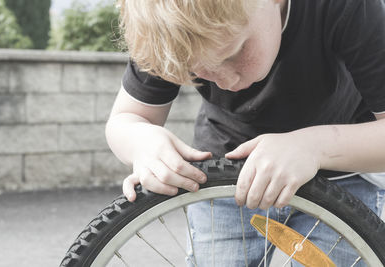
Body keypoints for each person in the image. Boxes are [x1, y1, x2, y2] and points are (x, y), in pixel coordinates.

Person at [106, 0, 385, 265]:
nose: (225, 81)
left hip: (342, 176)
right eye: (198, 71)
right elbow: (127, 119)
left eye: (232, 54)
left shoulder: (349, 6)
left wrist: (314, 147)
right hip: (224, 177)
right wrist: (142, 142)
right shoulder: (168, 24)